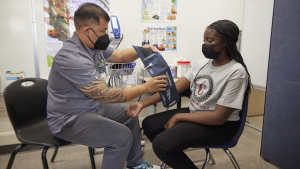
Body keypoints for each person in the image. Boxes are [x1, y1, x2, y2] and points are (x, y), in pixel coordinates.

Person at [47, 3, 166, 169]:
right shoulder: (72, 57)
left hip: (90, 107)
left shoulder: (93, 45)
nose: (106, 35)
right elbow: (104, 95)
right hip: (68, 119)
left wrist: (142, 50)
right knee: (121, 137)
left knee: (130, 116)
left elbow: (122, 56)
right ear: (87, 31)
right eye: (103, 31)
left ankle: (136, 165)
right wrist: (146, 88)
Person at [125, 20, 252, 169]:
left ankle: (170, 148)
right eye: (204, 40)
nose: (205, 44)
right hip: (196, 113)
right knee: (149, 125)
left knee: (161, 144)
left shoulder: (236, 72)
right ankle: (175, 154)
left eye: (210, 40)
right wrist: (141, 103)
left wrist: (178, 117)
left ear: (225, 42)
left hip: (221, 126)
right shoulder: (201, 64)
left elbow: (218, 118)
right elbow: (172, 89)